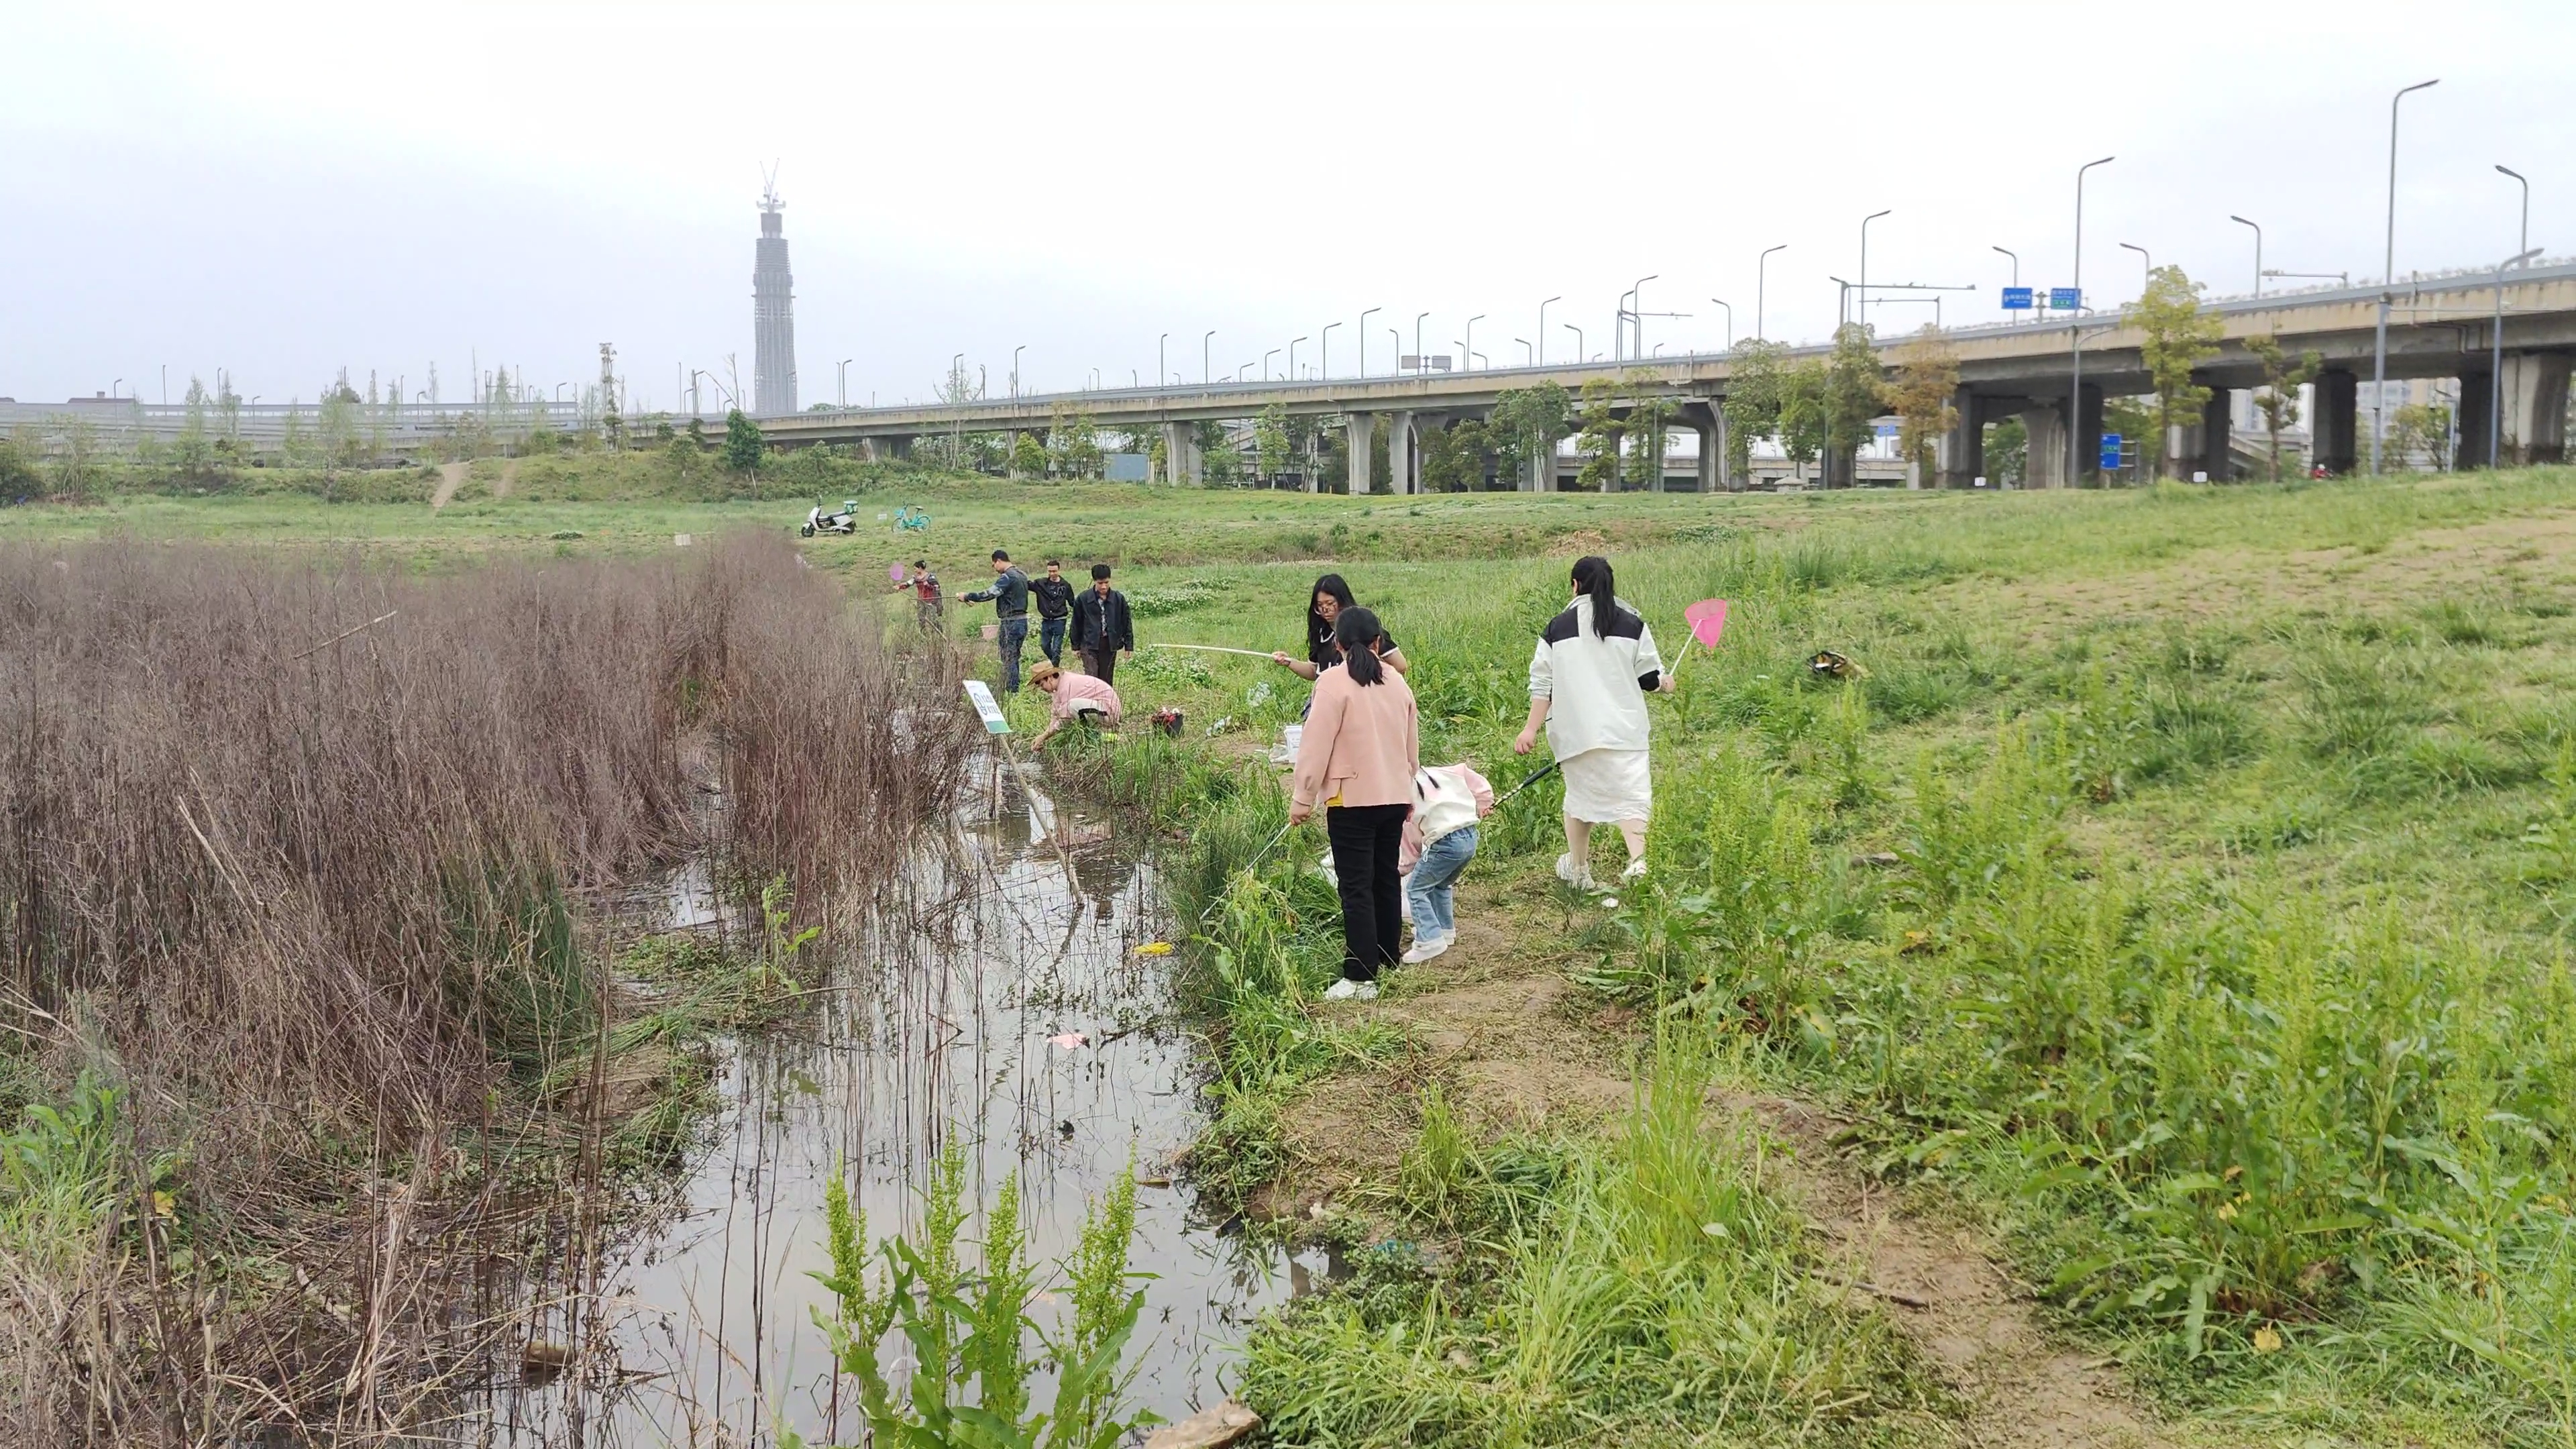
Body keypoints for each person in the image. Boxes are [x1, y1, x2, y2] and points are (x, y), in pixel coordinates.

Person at [1513, 555, 1669, 889]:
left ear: (1575, 586)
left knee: (1579, 800)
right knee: (1633, 798)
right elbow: (1649, 679)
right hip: (1624, 732)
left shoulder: (1557, 628)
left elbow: (1543, 683)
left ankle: (1580, 871)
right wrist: (1666, 683)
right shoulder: (1633, 625)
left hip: (1575, 732)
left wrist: (1530, 729)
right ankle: (1638, 863)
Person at [1289, 607, 1419, 1002]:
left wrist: (1302, 798)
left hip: (1352, 801)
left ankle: (1361, 975)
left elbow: (1315, 746)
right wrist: (1408, 788)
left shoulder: (1332, 682)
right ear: (1379, 643)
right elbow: (1411, 745)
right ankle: (1387, 957)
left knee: (1356, 886)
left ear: (1340, 645)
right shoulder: (1397, 681)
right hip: (1395, 797)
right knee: (1384, 877)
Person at [1398, 761, 1493, 965]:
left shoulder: (1403, 797)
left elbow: (1410, 845)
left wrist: (1403, 869)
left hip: (1445, 843)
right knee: (1441, 884)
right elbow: (1468, 774)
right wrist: (1484, 801)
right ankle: (1445, 929)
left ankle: (1429, 939)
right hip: (1470, 837)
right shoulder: (1442, 773)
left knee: (1416, 889)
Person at [1271, 573, 1410, 680]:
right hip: (1329, 697)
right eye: (1320, 606)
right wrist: (1289, 662)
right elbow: (1314, 671)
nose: (1325, 609)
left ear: (1343, 601)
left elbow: (1401, 666)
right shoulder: (1321, 634)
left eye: (1330, 603)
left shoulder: (1364, 627)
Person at [962, 549, 1032, 691]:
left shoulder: (1007, 577)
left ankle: (1011, 691)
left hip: (1010, 623)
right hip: (1022, 621)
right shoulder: (1022, 575)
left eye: (994, 565)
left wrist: (967, 595)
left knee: (1008, 658)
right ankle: (1014, 687)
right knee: (1015, 656)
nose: (994, 568)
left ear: (998, 561)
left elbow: (989, 594)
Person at [1069, 563, 1134, 685]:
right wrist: (1075, 646)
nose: (1104, 586)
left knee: (1106, 680)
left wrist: (1129, 645)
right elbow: (1076, 623)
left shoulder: (1118, 599)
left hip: (1109, 644)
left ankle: (1105, 704)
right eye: (1100, 583)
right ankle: (1092, 703)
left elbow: (1126, 622)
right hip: (1089, 644)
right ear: (1094, 581)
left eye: (1107, 583)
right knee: (1092, 678)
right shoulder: (1083, 599)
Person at [1028, 660, 1122, 744]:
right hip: (1098, 708)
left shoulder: (1066, 686)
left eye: (1042, 685)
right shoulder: (1058, 689)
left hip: (1109, 711)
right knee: (1071, 707)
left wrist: (1045, 737)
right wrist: (1043, 736)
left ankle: (1094, 736)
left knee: (1072, 706)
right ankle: (1091, 735)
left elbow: (1064, 719)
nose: (1042, 688)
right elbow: (1056, 715)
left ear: (1049, 678)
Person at [1033, 558, 1075, 667]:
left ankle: (1055, 668)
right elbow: (1027, 585)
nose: (1052, 574)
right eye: (1050, 571)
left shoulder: (1066, 585)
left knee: (1057, 648)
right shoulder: (1041, 584)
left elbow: (1072, 602)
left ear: (1059, 571)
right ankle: (1054, 664)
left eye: (1054, 571)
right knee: (1044, 645)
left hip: (1060, 620)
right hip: (1046, 620)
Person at [895, 559, 942, 632]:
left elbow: (937, 587)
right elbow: (908, 583)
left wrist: (928, 586)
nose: (915, 571)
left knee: (933, 619)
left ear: (920, 568)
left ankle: (939, 634)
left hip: (931, 601)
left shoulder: (931, 577)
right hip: (921, 601)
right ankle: (924, 635)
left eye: (915, 569)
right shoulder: (916, 578)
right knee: (921, 619)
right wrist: (900, 587)